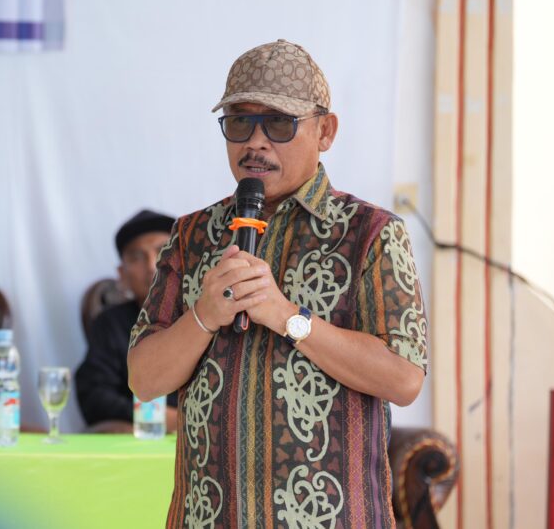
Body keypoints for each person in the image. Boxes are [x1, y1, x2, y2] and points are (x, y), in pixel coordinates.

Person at [128, 39, 427, 528]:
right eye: (239, 122)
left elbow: (404, 378)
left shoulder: (370, 233)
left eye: (280, 123)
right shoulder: (192, 235)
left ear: (325, 131)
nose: (256, 142)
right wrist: (204, 315)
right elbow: (144, 380)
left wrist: (289, 317)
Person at [75, 209, 179, 432]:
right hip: (141, 438)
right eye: (137, 257)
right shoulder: (110, 323)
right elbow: (93, 397)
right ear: (122, 274)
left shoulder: (209, 315)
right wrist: (159, 417)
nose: (151, 265)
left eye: (162, 251)